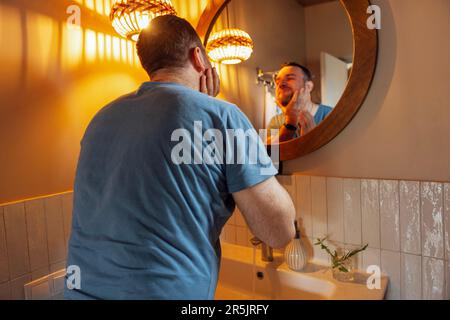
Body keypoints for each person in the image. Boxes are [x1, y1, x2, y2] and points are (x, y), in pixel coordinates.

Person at [64, 15, 295, 300]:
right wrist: (210, 106)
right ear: (198, 57)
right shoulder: (222, 116)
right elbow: (279, 232)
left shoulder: (100, 118)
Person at [266, 63, 333, 144]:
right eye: (277, 81)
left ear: (308, 86)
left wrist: (313, 138)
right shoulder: (275, 120)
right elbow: (268, 154)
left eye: (290, 78)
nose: (281, 84)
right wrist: (290, 123)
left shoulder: (331, 114)